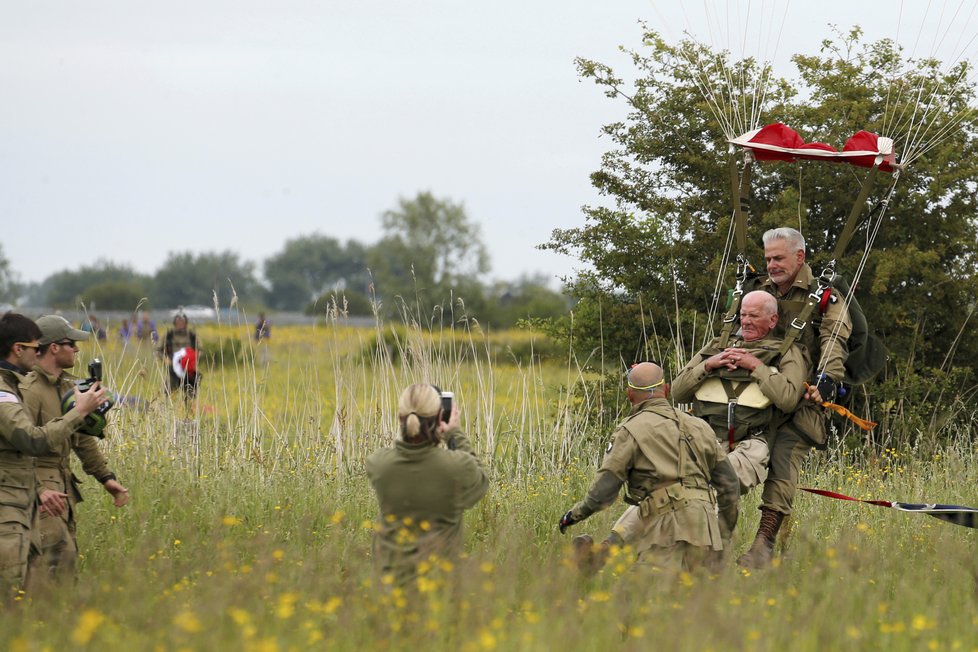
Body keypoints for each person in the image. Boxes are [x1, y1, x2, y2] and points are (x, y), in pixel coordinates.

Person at [671, 291, 822, 567]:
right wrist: (709, 365)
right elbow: (678, 392)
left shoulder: (788, 351)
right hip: (709, 437)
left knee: (716, 487)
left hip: (753, 442)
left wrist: (756, 366)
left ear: (773, 319)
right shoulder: (718, 346)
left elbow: (788, 400)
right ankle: (616, 544)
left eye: (754, 315)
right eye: (743, 314)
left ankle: (704, 557)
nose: (746, 321)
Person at [558, 362, 739, 576]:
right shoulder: (700, 426)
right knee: (694, 600)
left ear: (629, 394)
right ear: (667, 389)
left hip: (667, 525)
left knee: (642, 597)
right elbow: (730, 486)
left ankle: (599, 557)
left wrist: (575, 515)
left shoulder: (630, 430)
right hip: (705, 526)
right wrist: (722, 534)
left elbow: (604, 492)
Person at [0, 313, 106, 599]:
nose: (39, 352)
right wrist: (79, 412)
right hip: (16, 502)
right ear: (18, 349)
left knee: (46, 576)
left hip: (31, 498)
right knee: (17, 590)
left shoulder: (18, 386)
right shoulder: (13, 391)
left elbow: (78, 441)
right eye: (35, 347)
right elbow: (32, 441)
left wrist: (106, 477)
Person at [19, 316, 129, 590]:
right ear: (54, 347)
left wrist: (105, 477)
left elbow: (80, 437)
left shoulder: (68, 387)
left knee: (66, 564)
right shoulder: (29, 392)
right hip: (41, 492)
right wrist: (38, 489)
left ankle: (58, 623)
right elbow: (16, 447)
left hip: (62, 487)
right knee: (50, 565)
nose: (77, 350)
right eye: (71, 344)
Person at [366, 384, 488, 587]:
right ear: (441, 417)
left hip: (389, 586)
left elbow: (404, 452)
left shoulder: (378, 464)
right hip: (439, 589)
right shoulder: (457, 467)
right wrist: (453, 434)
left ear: (399, 418)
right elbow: (480, 481)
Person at [161, 313, 199, 401]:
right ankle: (167, 406)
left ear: (186, 324)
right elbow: (159, 351)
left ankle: (189, 408)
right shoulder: (169, 336)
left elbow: (199, 350)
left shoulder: (192, 336)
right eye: (178, 322)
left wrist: (193, 358)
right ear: (175, 323)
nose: (180, 325)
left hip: (188, 369)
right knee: (168, 390)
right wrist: (165, 359)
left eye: (182, 322)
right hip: (173, 368)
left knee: (191, 391)